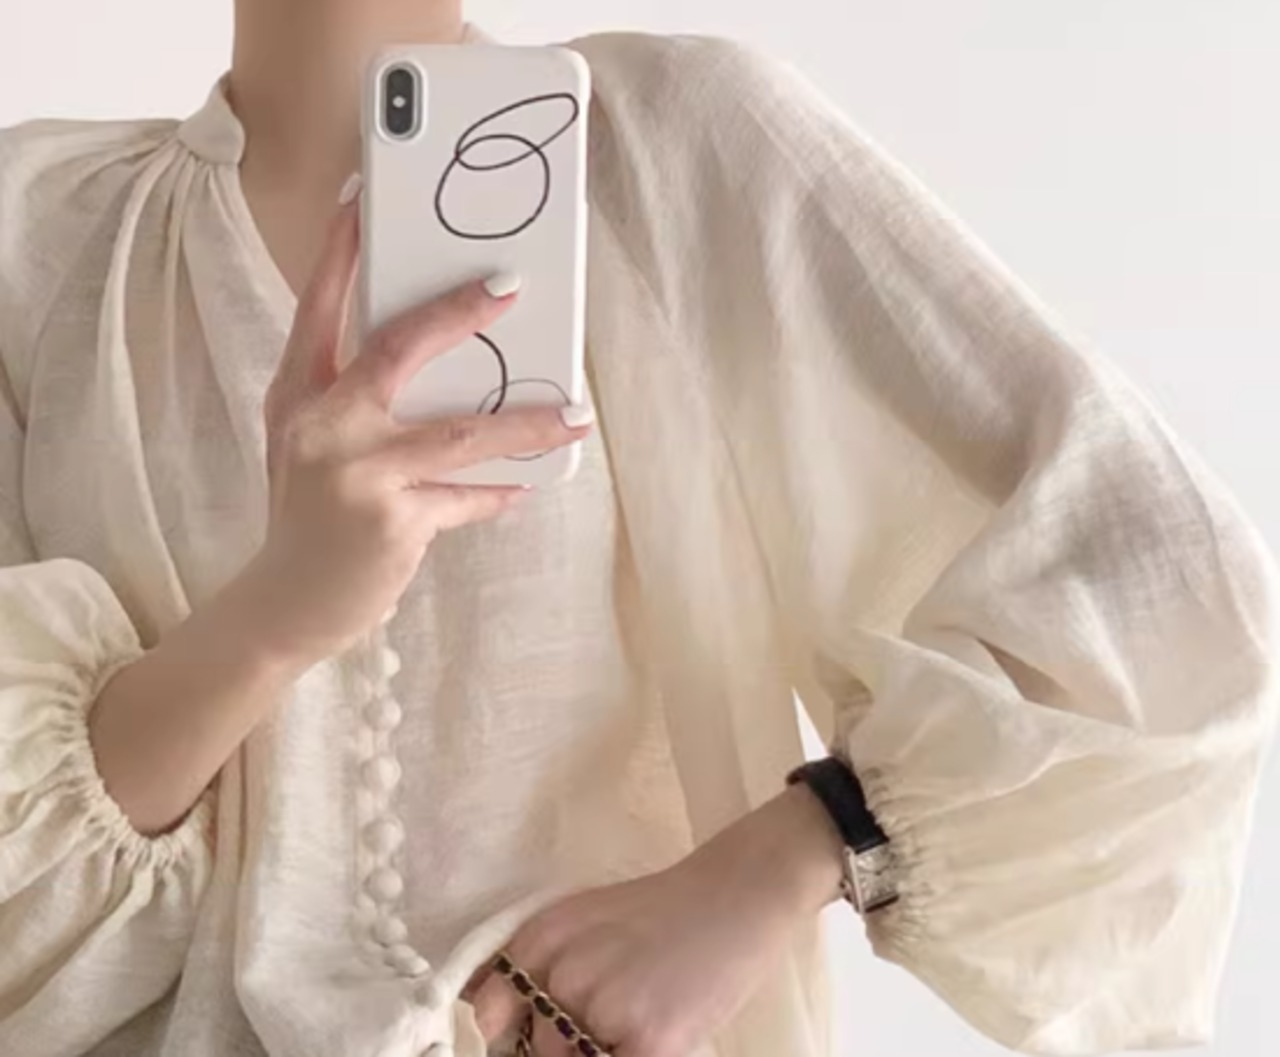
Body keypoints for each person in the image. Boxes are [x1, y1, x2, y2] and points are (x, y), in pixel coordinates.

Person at [1, 3, 1276, 1056]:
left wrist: (786, 855)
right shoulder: (35, 226)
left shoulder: (672, 143)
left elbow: (1151, 591)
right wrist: (280, 613)